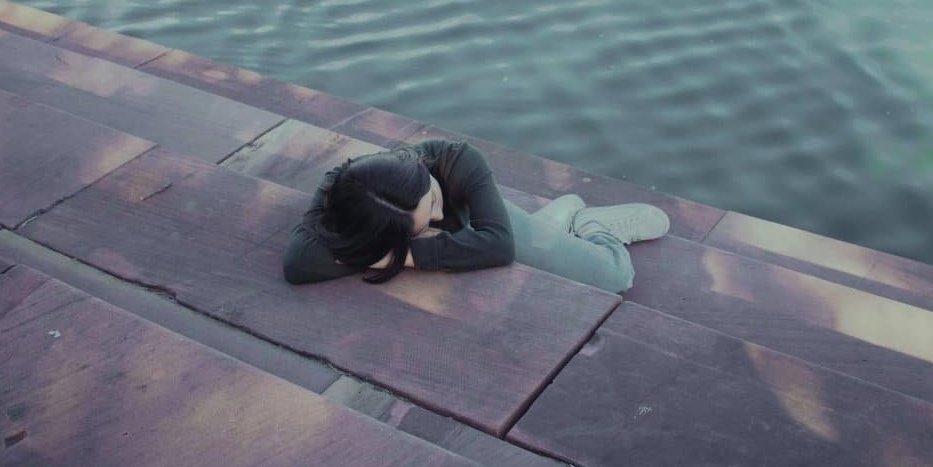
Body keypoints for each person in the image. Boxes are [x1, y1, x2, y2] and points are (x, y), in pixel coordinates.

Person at [282, 139, 670, 293]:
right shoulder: (345, 194)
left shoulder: (454, 160)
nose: (436, 212)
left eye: (432, 197)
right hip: (464, 237)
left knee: (615, 276)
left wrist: (406, 255)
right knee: (536, 242)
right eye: (425, 221)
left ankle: (591, 224)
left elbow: (498, 246)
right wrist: (396, 247)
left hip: (485, 222)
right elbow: (298, 264)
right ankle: (559, 217)